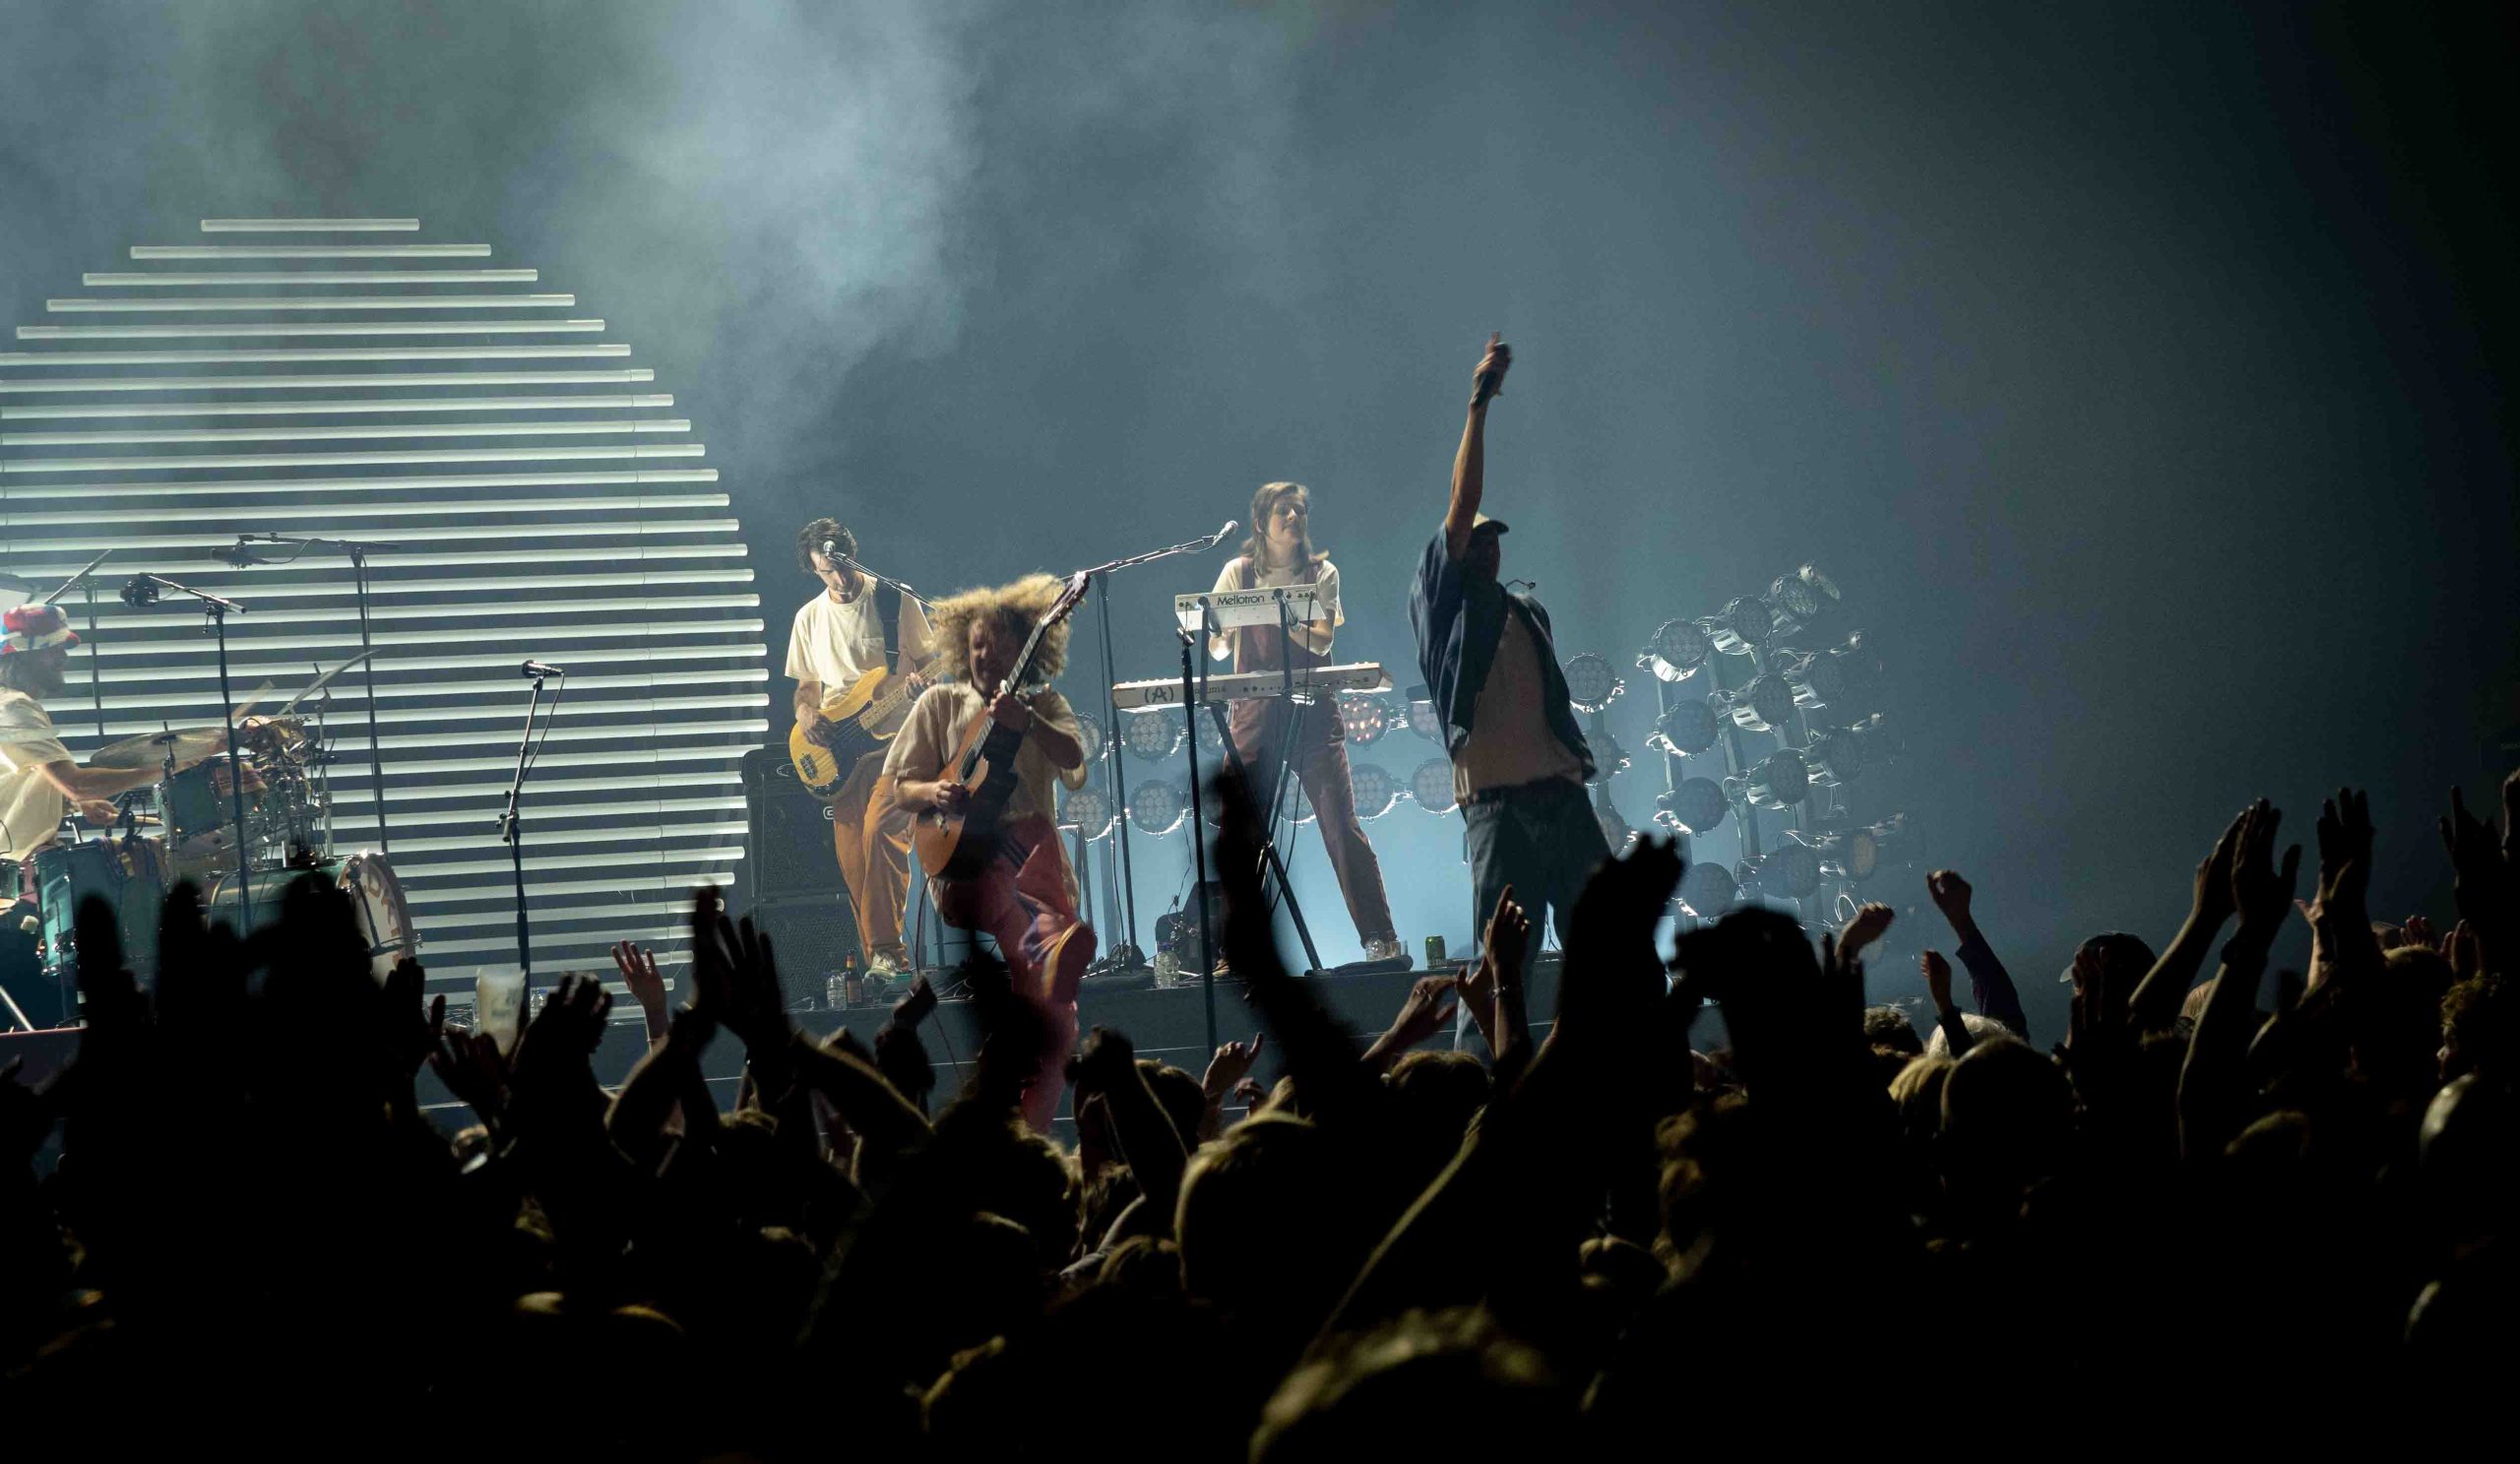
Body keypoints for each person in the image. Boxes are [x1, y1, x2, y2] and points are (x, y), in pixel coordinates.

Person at [1407, 333, 1606, 982]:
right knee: (1502, 975)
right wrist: (1479, 405)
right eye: (1477, 539)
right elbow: (1462, 502)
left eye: (1495, 539)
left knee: (1613, 957)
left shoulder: (1527, 610)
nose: (1488, 547)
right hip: (1498, 811)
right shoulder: (1443, 607)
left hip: (1564, 803)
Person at [883, 574, 1097, 1131]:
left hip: (1031, 870)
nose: (985, 655)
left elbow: (1073, 760)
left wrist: (1029, 723)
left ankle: (1024, 1129)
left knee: (1055, 1023)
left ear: (1024, 649)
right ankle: (1056, 942)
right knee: (1024, 848)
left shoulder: (1044, 703)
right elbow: (900, 788)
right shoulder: (939, 703)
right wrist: (936, 792)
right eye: (977, 644)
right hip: (962, 872)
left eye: (999, 646)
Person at [1205, 481, 1404, 965]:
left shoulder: (1322, 572)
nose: (1294, 517)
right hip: (1254, 718)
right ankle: (1236, 951)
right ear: (1261, 522)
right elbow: (1218, 648)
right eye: (1283, 510)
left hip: (1313, 717)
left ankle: (1379, 938)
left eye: (1299, 511)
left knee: (1341, 827)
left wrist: (1283, 616)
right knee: (1239, 834)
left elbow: (1321, 640)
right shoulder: (1236, 572)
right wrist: (1219, 630)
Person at [785, 518, 935, 982]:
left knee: (881, 832)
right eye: (827, 571)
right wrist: (806, 714)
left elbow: (932, 665)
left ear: (853, 554)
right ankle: (881, 967)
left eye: (843, 566)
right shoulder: (808, 618)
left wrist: (920, 686)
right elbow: (806, 688)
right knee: (853, 859)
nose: (839, 578)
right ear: (814, 570)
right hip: (842, 752)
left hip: (899, 744)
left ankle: (889, 953)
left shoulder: (894, 599)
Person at [0, 603, 186, 869]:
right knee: (159, 861)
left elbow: (16, 781)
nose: (63, 658)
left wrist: (76, 803)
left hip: (18, 863)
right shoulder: (14, 707)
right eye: (52, 649)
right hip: (15, 869)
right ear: (21, 656)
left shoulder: (8, 704)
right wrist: (168, 768)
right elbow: (77, 784)